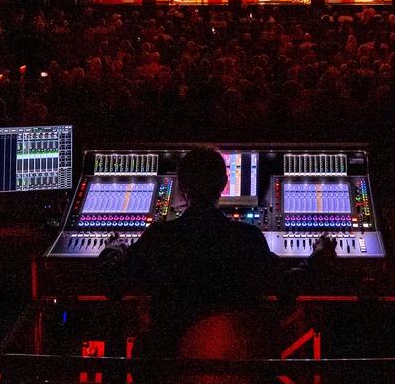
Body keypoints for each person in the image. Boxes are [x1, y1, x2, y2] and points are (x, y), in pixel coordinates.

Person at [105, 147, 313, 354]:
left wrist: (114, 249)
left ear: (181, 186)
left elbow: (112, 284)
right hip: (237, 366)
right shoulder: (247, 237)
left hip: (170, 367)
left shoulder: (160, 237)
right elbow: (287, 287)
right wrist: (317, 258)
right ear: (224, 184)